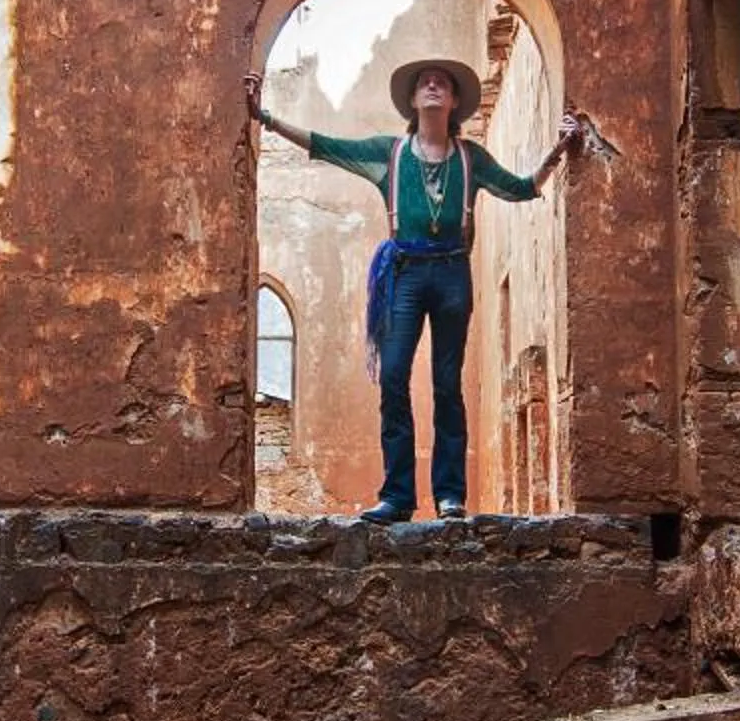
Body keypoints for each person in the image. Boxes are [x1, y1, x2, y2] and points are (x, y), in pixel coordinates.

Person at [247, 55, 584, 522]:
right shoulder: (389, 154)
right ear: (411, 100)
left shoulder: (471, 159)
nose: (432, 85)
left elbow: (521, 187)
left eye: (442, 83)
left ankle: (450, 495)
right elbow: (324, 144)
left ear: (454, 102)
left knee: (447, 383)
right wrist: (264, 117)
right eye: (424, 82)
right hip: (403, 273)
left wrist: (559, 149)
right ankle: (398, 495)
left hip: (451, 273)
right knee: (392, 376)